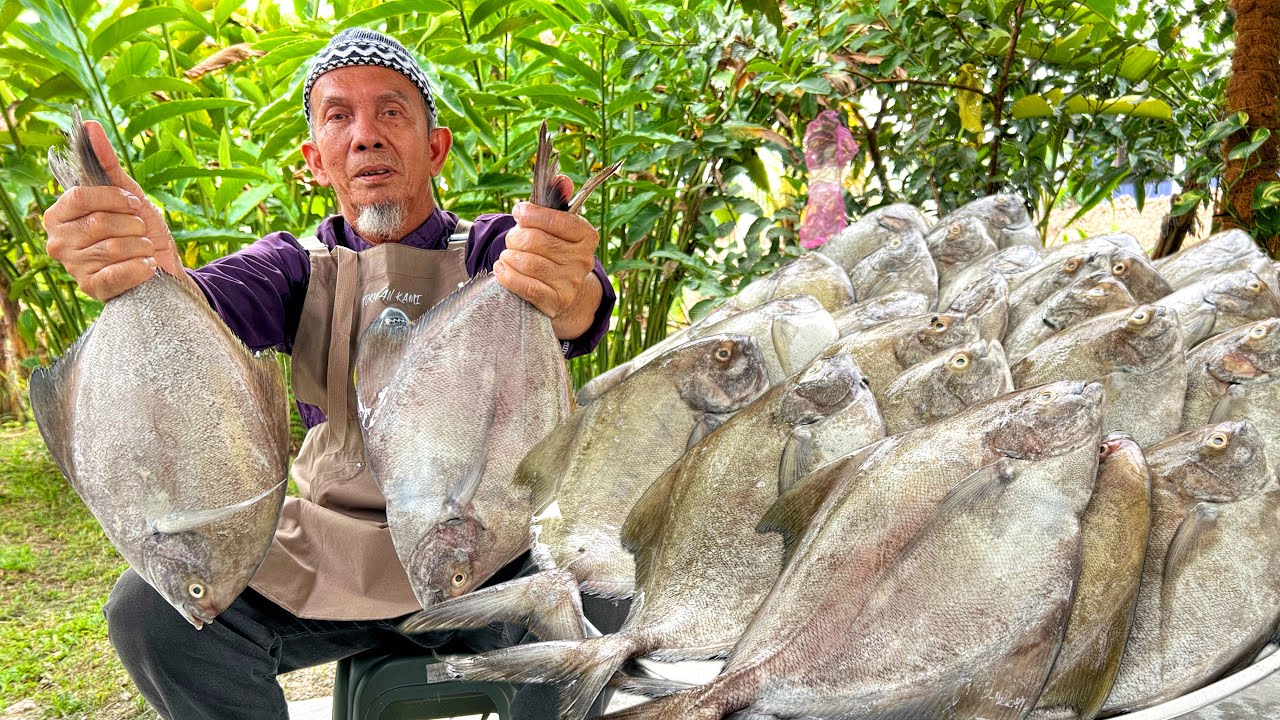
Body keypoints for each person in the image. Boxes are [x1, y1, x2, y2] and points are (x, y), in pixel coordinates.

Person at [42, 28, 622, 720]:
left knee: (597, 606)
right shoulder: (292, 267)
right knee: (151, 613)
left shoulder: (491, 249)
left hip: (491, 550)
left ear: (435, 148)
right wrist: (153, 275)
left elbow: (574, 303)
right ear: (316, 159)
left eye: (391, 112)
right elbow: (203, 309)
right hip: (329, 553)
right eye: (338, 116)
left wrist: (564, 282)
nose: (366, 136)